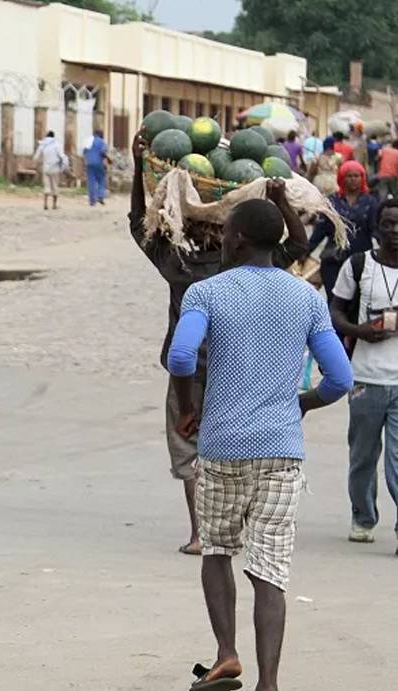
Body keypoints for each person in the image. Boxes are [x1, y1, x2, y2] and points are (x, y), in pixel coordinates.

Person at [168, 196, 353, 691]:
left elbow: (182, 356)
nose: (222, 240)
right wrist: (298, 404)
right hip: (280, 451)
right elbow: (338, 380)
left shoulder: (207, 293)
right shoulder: (306, 298)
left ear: (239, 240)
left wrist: (188, 409)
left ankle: (227, 654)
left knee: (218, 550)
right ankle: (268, 689)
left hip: (223, 446)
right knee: (270, 569)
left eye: (226, 233)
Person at [130, 132, 310, 556]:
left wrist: (141, 171)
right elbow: (299, 245)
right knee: (242, 448)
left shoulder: (179, 263)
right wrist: (281, 198)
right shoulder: (251, 264)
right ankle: (243, 526)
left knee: (188, 450)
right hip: (240, 374)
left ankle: (201, 533)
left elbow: (139, 224)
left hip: (189, 377)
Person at [330, 198, 398, 549]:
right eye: (388, 224)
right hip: (365, 378)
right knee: (362, 457)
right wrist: (359, 332)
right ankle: (363, 516)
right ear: (377, 227)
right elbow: (335, 311)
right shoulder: (358, 266)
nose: (395, 231)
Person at [309, 160, 378, 302]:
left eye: (356, 176)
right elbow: (319, 232)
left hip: (361, 261)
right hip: (334, 260)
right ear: (342, 178)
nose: (353, 179)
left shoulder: (370, 202)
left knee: (357, 301)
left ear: (362, 178)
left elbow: (376, 230)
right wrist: (304, 252)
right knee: (334, 301)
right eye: (349, 176)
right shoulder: (331, 202)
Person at [33, 130, 68, 210]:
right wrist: (63, 167)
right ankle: (54, 205)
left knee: (46, 186)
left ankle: (45, 204)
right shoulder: (57, 145)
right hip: (55, 168)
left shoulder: (43, 144)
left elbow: (36, 156)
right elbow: (63, 157)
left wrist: (37, 163)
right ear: (53, 136)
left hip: (46, 168)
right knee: (55, 186)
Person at [84, 129, 110, 206]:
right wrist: (108, 159)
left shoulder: (88, 141)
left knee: (91, 182)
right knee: (102, 179)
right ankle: (100, 196)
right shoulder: (101, 142)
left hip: (89, 164)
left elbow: (84, 152)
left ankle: (92, 201)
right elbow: (103, 152)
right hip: (99, 163)